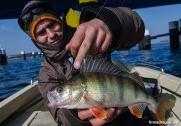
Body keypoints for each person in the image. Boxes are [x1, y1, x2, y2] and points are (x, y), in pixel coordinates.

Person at [18, 1, 154, 126]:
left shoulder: (88, 35)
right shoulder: (46, 74)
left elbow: (137, 26)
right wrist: (76, 115)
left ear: (59, 21)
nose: (51, 34)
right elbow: (60, 117)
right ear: (35, 41)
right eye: (41, 32)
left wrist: (109, 22)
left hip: (124, 113)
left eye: (52, 24)